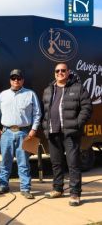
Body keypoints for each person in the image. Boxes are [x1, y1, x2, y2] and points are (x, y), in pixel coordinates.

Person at [42, 63, 92, 206]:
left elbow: (87, 107)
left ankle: (75, 193)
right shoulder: (48, 90)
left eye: (63, 70)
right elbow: (45, 111)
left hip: (70, 133)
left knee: (73, 164)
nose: (60, 73)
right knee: (56, 163)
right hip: (53, 132)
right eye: (57, 71)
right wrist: (45, 126)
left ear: (68, 72)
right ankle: (58, 189)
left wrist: (77, 124)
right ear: (54, 73)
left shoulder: (77, 88)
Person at [0, 69, 41, 199]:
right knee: (5, 161)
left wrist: (34, 129)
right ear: (10, 80)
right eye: (13, 78)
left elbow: (37, 113)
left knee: (23, 162)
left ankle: (25, 188)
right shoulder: (3, 95)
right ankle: (3, 185)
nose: (16, 81)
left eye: (18, 78)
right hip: (6, 132)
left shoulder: (30, 94)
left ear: (22, 80)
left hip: (24, 132)